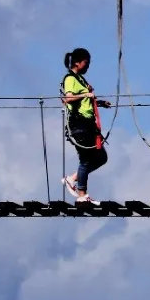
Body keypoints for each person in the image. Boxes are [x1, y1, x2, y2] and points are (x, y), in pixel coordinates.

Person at [61, 48, 111, 204]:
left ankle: (72, 179)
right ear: (77, 62)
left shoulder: (80, 79)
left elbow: (85, 101)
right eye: (86, 63)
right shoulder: (70, 78)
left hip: (89, 125)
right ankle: (82, 195)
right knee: (86, 160)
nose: (88, 66)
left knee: (101, 157)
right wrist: (85, 94)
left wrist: (100, 102)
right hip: (79, 125)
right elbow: (68, 98)